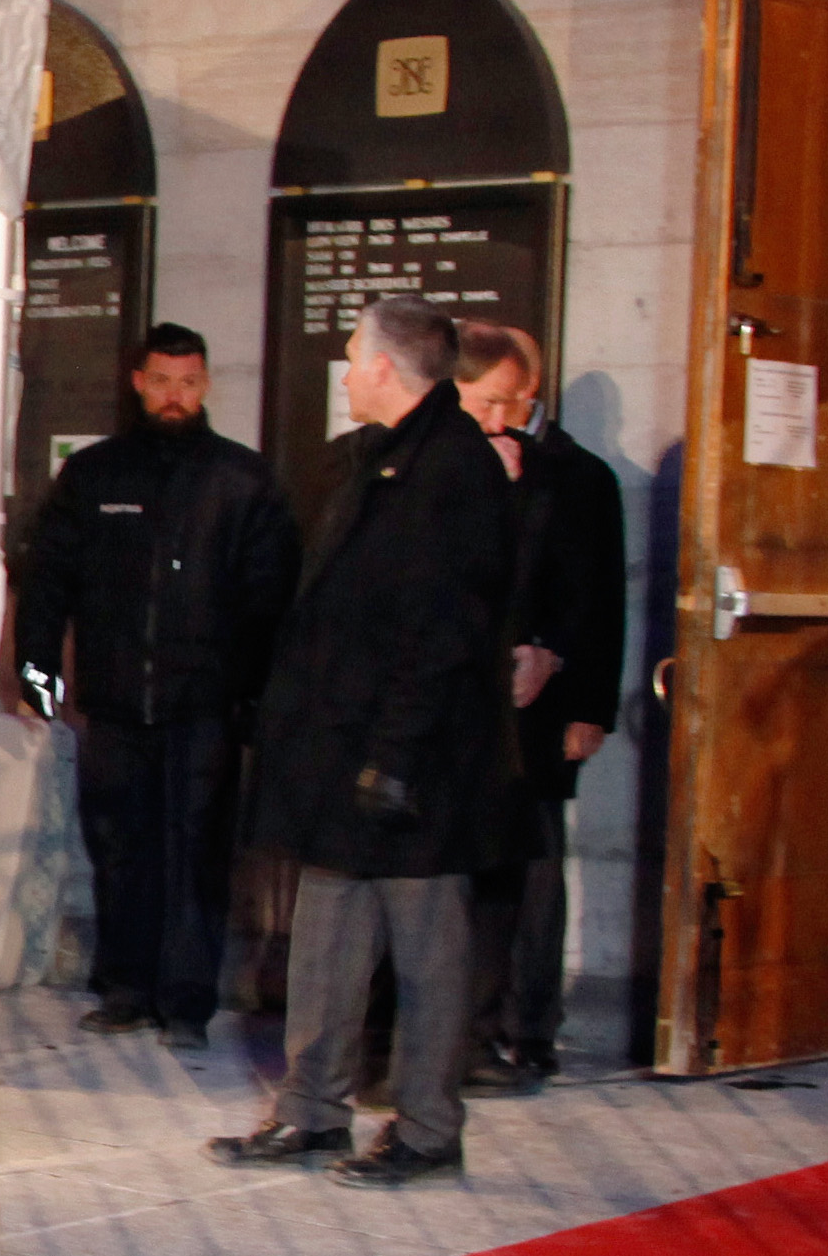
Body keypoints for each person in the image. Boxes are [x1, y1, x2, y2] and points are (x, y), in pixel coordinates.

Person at [205, 294, 513, 1186]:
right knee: (326, 940)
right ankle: (310, 1113)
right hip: (341, 755)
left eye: (352, 353)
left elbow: (445, 633)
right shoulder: (368, 462)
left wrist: (395, 758)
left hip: (412, 763)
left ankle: (425, 1128)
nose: (344, 368)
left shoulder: (453, 469)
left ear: (384, 367)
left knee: (426, 953)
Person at [15, 322, 299, 1049]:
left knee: (197, 852)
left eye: (189, 382)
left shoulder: (241, 480)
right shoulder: (94, 475)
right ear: (138, 382)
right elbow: (48, 581)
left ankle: (186, 1000)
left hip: (205, 705)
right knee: (118, 846)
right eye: (162, 381)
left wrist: (258, 700)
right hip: (113, 701)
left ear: (205, 386)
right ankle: (125, 988)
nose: (175, 395)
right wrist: (36, 671)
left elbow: (271, 597)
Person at [452, 320, 623, 1089]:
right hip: (470, 702)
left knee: (535, 868)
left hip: (546, 707)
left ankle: (530, 1024)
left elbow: (598, 601)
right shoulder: (455, 465)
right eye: (493, 399)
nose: (507, 413)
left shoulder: (579, 475)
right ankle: (471, 1025)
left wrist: (589, 708)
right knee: (476, 870)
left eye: (517, 398)